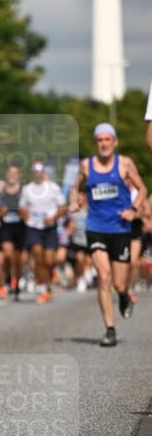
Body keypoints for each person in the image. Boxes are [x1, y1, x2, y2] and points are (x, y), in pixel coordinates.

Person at [70, 122, 147, 347]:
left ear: (115, 142)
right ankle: (109, 329)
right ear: (96, 143)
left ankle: (124, 296)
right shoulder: (86, 165)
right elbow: (76, 187)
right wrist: (74, 202)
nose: (104, 144)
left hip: (120, 229)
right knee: (103, 277)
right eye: (100, 140)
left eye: (107, 139)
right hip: (95, 228)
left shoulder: (125, 164)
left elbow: (142, 189)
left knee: (119, 284)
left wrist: (133, 210)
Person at [19, 161, 67, 304]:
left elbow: (63, 207)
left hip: (49, 227)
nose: (38, 174)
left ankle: (48, 280)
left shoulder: (53, 188)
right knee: (38, 257)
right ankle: (42, 289)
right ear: (33, 173)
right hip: (34, 227)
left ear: (44, 172)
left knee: (49, 260)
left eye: (40, 172)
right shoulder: (27, 189)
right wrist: (26, 216)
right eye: (35, 172)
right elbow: (22, 207)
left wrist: (53, 218)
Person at [0, 165, 25, 299]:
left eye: (15, 173)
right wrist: (1, 212)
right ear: (6, 175)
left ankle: (16, 282)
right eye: (10, 173)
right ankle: (7, 278)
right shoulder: (1, 192)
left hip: (20, 227)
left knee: (18, 259)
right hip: (5, 226)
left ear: (19, 175)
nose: (12, 175)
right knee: (7, 254)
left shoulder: (24, 190)